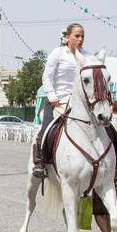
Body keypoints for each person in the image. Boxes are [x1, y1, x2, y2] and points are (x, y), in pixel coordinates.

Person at [32, 23, 87, 178]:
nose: (80, 39)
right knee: (47, 128)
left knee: (102, 126)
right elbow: (47, 77)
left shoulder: (87, 56)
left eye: (82, 36)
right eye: (77, 36)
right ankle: (40, 162)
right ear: (68, 37)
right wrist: (52, 96)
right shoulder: (58, 53)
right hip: (58, 101)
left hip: (80, 103)